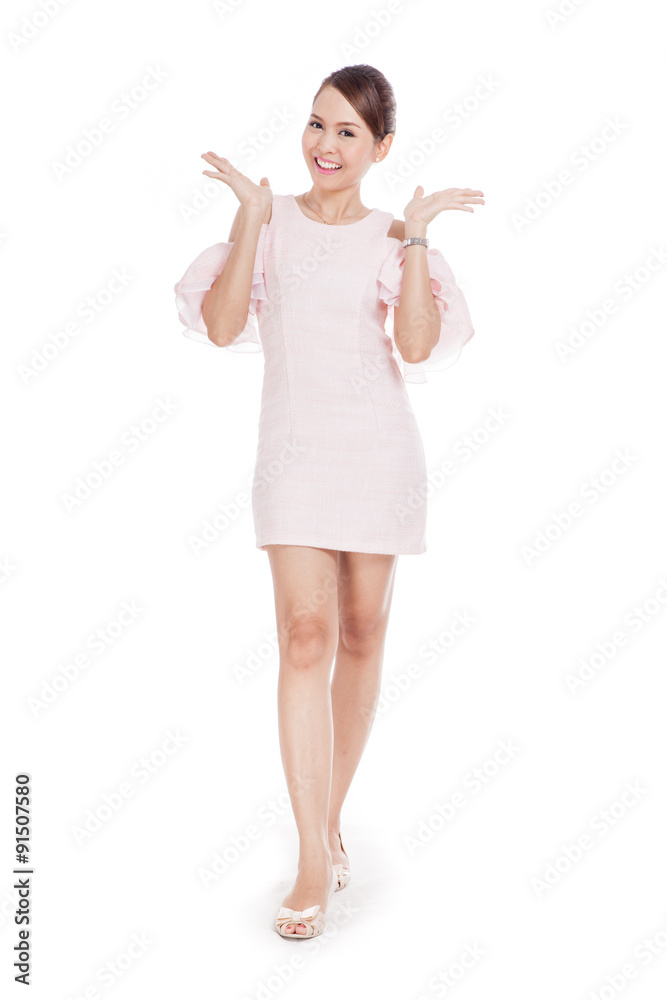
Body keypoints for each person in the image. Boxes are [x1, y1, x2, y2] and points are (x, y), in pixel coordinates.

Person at [174, 63, 484, 938]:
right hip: (294, 458)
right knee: (303, 636)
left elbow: (415, 349)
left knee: (359, 632)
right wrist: (247, 216)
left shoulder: (391, 235)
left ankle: (328, 819)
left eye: (348, 131)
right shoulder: (268, 220)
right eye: (317, 123)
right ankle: (312, 857)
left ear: (381, 148)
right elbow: (223, 326)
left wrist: (414, 239)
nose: (325, 144)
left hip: (377, 453)